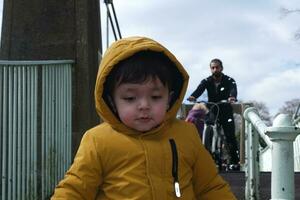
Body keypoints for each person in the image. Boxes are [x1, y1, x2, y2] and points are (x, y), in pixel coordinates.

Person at [51, 37, 236, 199]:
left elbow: (210, 187)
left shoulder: (186, 135)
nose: (144, 105)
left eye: (155, 97)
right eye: (130, 98)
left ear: (169, 99)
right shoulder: (98, 141)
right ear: (112, 102)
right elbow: (75, 189)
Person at [187, 58, 240, 169]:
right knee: (208, 126)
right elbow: (199, 89)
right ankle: (208, 152)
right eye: (213, 67)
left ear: (221, 68)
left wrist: (232, 97)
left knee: (230, 135)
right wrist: (193, 96)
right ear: (210, 69)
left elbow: (233, 89)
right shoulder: (207, 81)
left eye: (217, 67)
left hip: (225, 109)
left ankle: (235, 162)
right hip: (213, 109)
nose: (215, 69)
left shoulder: (229, 80)